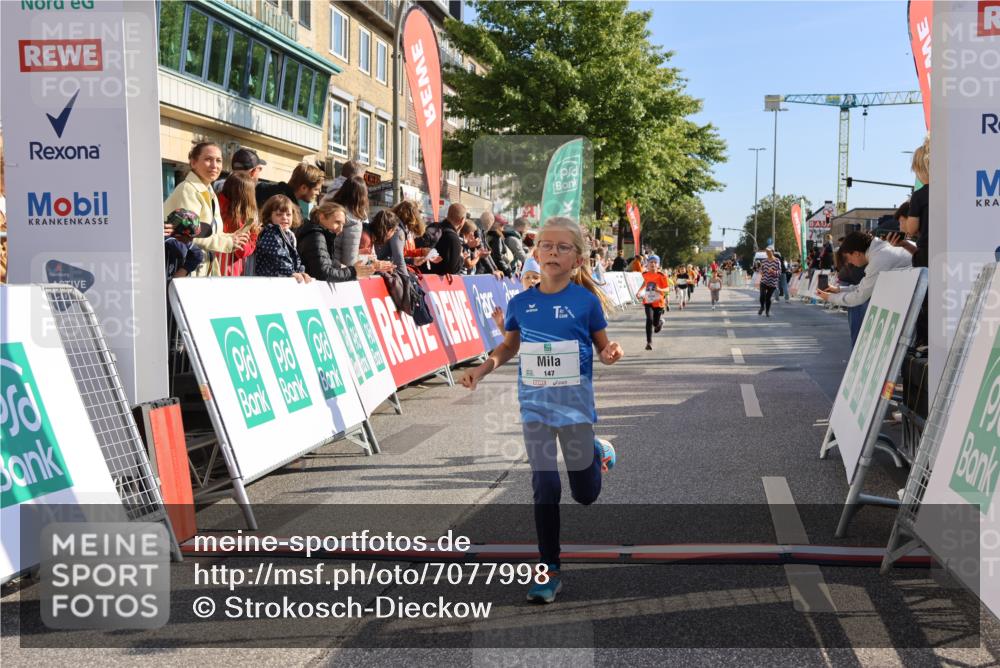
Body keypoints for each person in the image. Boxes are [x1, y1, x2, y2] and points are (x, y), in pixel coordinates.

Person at [459, 216, 623, 604]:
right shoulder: (521, 303)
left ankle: (597, 452)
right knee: (545, 486)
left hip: (576, 410)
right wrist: (481, 370)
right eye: (546, 245)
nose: (553, 252)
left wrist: (611, 353)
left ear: (578, 259)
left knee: (584, 495)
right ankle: (549, 569)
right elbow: (509, 347)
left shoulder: (584, 303)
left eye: (563, 247)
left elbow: (603, 346)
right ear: (535, 254)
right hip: (535, 409)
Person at [163, 141, 249, 276]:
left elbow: (208, 233)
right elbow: (188, 236)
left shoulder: (209, 191)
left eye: (219, 160)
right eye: (208, 159)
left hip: (199, 271)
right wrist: (228, 241)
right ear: (193, 163)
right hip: (183, 270)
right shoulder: (189, 189)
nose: (215, 165)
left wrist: (231, 236)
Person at [816, 231, 913, 311]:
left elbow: (859, 296)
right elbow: (863, 286)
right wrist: (839, 289)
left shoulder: (878, 260)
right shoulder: (881, 250)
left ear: (856, 253)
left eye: (848, 258)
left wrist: (830, 297)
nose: (850, 262)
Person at [296, 202, 377, 282]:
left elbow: (326, 262)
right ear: (322, 217)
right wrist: (353, 271)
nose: (341, 229)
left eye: (343, 224)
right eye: (337, 222)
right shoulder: (316, 236)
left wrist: (342, 267)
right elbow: (323, 273)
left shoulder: (321, 235)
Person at [254, 195, 311, 282]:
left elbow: (295, 257)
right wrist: (290, 272)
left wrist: (300, 271)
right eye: (279, 214)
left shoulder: (289, 235)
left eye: (288, 214)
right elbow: (278, 256)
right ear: (269, 216)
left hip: (281, 279)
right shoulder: (271, 233)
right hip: (268, 281)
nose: (284, 217)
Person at [216, 172, 260, 277]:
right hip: (228, 271)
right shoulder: (238, 218)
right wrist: (254, 236)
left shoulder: (216, 206)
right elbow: (242, 251)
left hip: (211, 266)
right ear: (248, 195)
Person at [255, 163, 325, 223]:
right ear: (303, 188)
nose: (318, 193)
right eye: (316, 189)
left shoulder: (263, 189)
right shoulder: (292, 209)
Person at [329, 176, 369, 268]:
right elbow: (350, 261)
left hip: (323, 263)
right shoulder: (355, 222)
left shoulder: (330, 210)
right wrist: (367, 259)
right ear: (363, 197)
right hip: (338, 272)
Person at [637, 255, 669, 351]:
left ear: (658, 265)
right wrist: (639, 291)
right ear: (648, 264)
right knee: (649, 320)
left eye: (655, 262)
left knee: (655, 323)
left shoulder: (661, 275)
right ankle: (649, 342)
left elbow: (667, 288)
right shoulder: (645, 274)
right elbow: (644, 283)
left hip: (659, 302)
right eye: (651, 262)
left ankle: (659, 323)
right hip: (648, 300)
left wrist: (659, 289)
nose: (653, 264)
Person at [163, 209, 205, 279]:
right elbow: (181, 251)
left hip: (168, 287)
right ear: (179, 234)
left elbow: (198, 254)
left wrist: (182, 272)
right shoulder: (162, 237)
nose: (192, 240)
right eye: (190, 236)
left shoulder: (182, 241)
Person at [427, 204, 467, 275]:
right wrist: (461, 257)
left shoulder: (433, 226)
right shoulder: (454, 238)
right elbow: (453, 269)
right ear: (462, 220)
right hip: (438, 282)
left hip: (422, 276)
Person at [758, 248, 781, 317]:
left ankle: (767, 311)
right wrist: (761, 271)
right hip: (764, 281)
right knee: (762, 295)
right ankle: (762, 307)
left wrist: (773, 272)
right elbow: (761, 270)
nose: (767, 253)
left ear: (772, 252)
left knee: (768, 298)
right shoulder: (764, 261)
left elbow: (779, 272)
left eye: (769, 252)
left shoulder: (777, 261)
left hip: (772, 282)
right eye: (766, 252)